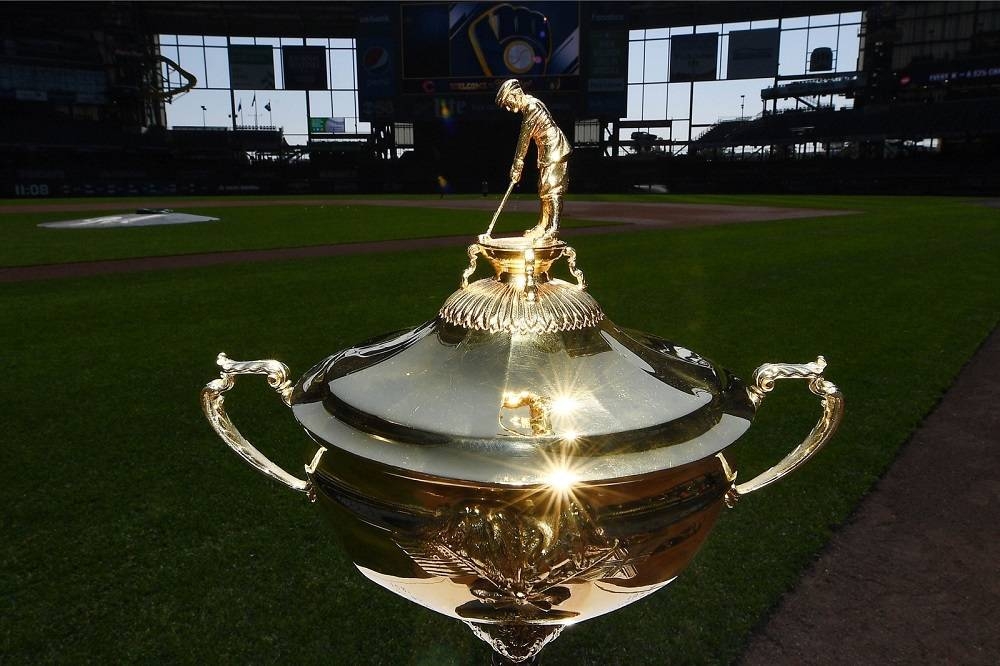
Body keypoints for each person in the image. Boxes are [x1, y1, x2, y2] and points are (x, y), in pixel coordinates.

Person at [495, 79, 571, 239]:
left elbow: (524, 137)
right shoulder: (530, 104)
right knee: (544, 188)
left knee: (552, 189)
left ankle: (553, 228)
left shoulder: (531, 107)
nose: (508, 108)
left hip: (555, 149)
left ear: (515, 94)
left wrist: (517, 164)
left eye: (507, 102)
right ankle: (543, 225)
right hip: (547, 150)